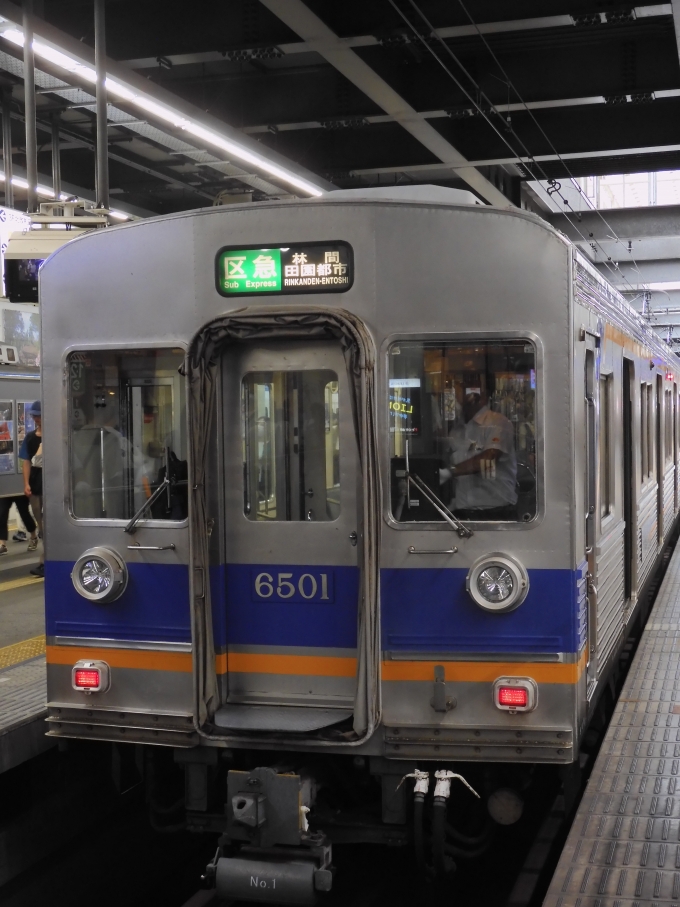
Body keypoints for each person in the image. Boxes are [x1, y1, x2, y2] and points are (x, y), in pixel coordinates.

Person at [439, 389, 518, 520]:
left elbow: (488, 459)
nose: (468, 397)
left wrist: (449, 472)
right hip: (462, 510)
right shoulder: (456, 431)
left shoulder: (498, 423)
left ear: (483, 397)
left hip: (495, 511)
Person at [19, 400, 43, 577]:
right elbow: (26, 462)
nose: (36, 418)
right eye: (34, 416)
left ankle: (46, 560)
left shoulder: (57, 435)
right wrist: (26, 483)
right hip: (35, 485)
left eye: (38, 415)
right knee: (41, 524)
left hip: (53, 485)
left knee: (50, 525)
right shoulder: (30, 438)